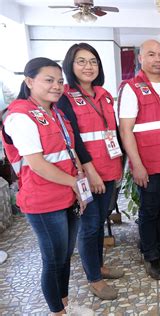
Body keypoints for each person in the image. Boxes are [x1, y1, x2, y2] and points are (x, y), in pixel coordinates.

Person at [1, 57, 92, 315]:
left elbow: (69, 150)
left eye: (60, 81)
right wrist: (75, 184)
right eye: (49, 80)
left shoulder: (56, 113)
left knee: (64, 256)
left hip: (68, 194)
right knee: (52, 259)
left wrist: (80, 184)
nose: (57, 86)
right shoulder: (19, 116)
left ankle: (63, 303)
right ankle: (57, 311)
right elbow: (37, 164)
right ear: (29, 82)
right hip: (43, 200)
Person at [57, 43, 124, 300]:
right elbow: (73, 139)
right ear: (70, 66)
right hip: (88, 174)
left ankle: (99, 266)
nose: (88, 66)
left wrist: (120, 166)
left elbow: (112, 133)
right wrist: (90, 171)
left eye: (93, 61)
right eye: (81, 61)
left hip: (109, 169)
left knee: (101, 221)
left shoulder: (104, 94)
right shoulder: (64, 97)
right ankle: (94, 279)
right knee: (90, 225)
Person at [118, 39, 160, 280]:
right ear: (140, 59)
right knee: (149, 210)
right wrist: (136, 165)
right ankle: (150, 255)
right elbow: (126, 131)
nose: (157, 59)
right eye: (151, 55)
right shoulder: (131, 88)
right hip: (148, 163)